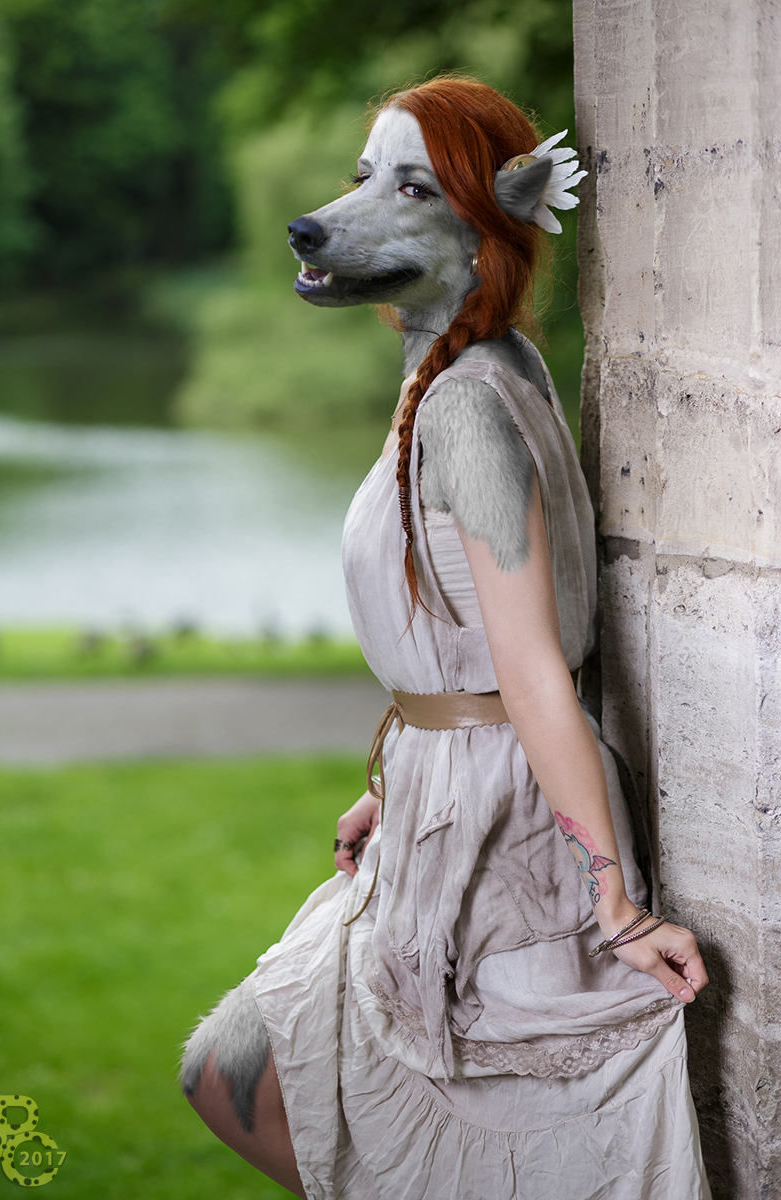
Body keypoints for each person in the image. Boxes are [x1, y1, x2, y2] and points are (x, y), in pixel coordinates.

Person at [181, 77, 711, 1199]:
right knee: (237, 1072)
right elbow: (476, 642)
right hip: (441, 798)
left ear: (491, 227)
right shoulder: (483, 369)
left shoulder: (469, 400)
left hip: (504, 830)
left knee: (243, 1080)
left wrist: (615, 907)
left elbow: (532, 668)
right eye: (366, 174)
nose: (336, 213)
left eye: (412, 188)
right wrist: (402, 771)